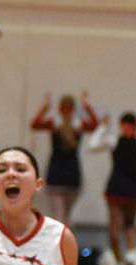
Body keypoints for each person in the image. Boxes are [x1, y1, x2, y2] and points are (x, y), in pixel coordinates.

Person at [88, 112, 136, 265]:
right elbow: (92, 146)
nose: (125, 129)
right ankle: (118, 259)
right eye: (124, 126)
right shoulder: (114, 140)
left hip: (133, 188)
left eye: (129, 126)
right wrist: (102, 127)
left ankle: (131, 257)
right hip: (116, 187)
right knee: (114, 225)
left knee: (130, 223)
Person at [29, 92, 99, 227]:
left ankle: (66, 244)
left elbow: (96, 125)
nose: (66, 111)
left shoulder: (78, 124)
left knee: (66, 217)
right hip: (57, 174)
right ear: (60, 109)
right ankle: (61, 245)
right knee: (60, 217)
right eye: (64, 108)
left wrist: (87, 106)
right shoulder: (54, 123)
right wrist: (45, 107)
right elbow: (34, 124)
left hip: (72, 174)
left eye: (69, 108)